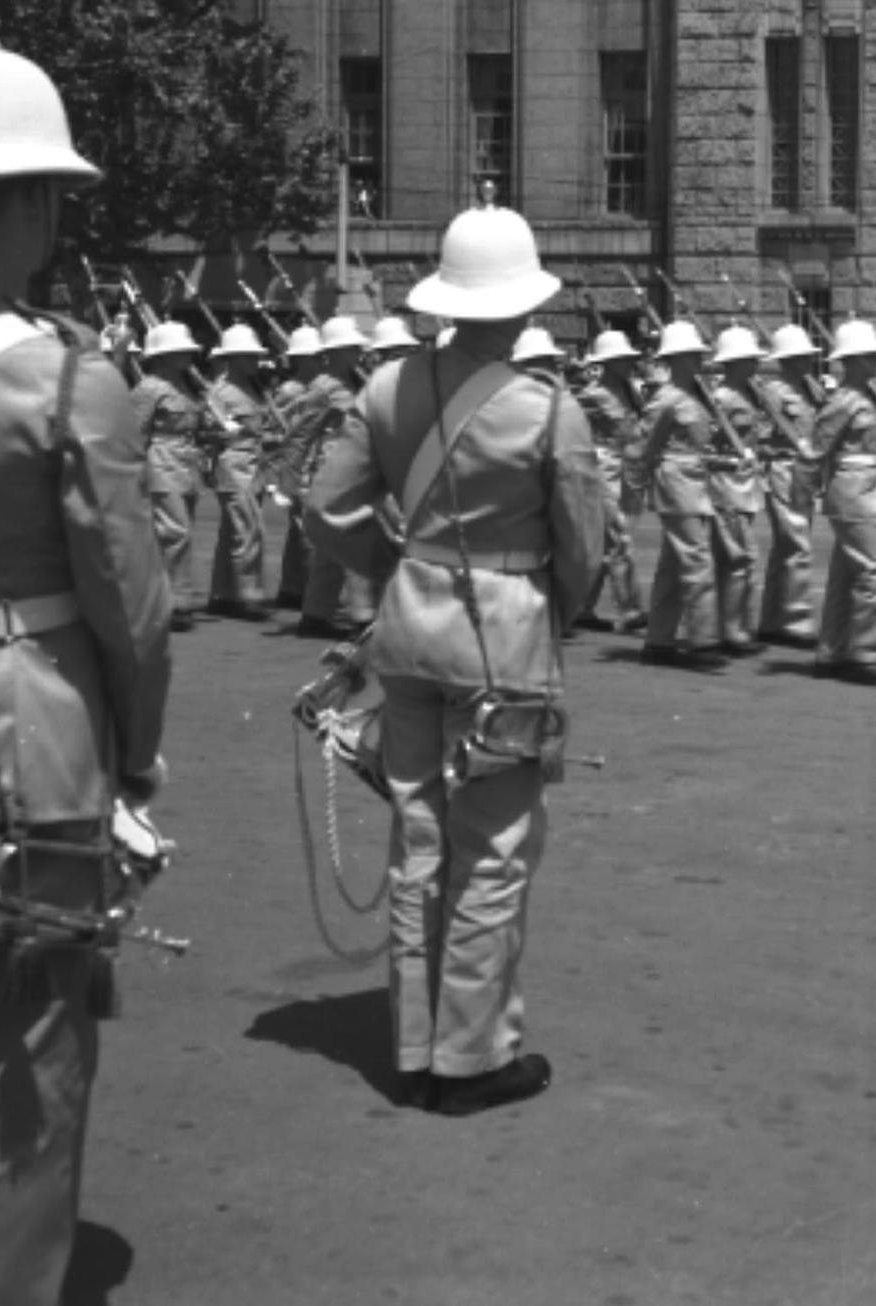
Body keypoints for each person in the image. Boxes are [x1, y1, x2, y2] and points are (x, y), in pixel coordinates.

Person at [0, 20, 174, 1301]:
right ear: (36, 203)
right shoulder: (68, 379)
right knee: (22, 1069)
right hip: (23, 739)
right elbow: (130, 604)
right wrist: (138, 750)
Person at [306, 197, 603, 1115]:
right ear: (524, 304)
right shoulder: (549, 409)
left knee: (419, 842)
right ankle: (471, 1058)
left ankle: (413, 1044)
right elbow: (584, 547)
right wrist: (564, 609)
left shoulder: (386, 389)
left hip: (407, 633)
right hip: (503, 641)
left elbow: (326, 509)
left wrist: (396, 565)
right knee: (493, 852)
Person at [627, 320, 727, 667]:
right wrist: (633, 490)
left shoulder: (696, 398)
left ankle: (658, 640)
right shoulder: (666, 399)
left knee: (673, 565)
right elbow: (642, 446)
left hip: (695, 481)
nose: (699, 360)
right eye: (692, 355)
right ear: (678, 358)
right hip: (677, 483)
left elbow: (697, 445)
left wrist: (719, 461)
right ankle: (703, 641)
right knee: (698, 559)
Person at [808, 319, 876, 684]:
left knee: (846, 575)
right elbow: (816, 449)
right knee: (875, 569)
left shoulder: (875, 396)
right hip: (851, 490)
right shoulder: (843, 401)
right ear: (852, 359)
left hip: (870, 486)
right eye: (869, 354)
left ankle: (831, 650)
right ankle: (863, 653)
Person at [288, 316, 375, 639]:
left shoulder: (355, 382)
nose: (357, 353)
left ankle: (315, 614)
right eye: (350, 348)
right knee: (351, 540)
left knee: (333, 546)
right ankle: (362, 615)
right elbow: (299, 435)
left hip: (352, 465)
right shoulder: (322, 389)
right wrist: (289, 480)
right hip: (331, 467)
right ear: (334, 352)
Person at [132, 319, 209, 630]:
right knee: (176, 533)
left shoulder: (187, 387)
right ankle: (173, 601)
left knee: (176, 533)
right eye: (180, 351)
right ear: (162, 356)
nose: (187, 356)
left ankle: (169, 598)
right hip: (160, 462)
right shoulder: (148, 389)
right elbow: (134, 434)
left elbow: (196, 429)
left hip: (187, 464)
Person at [570, 328, 648, 633]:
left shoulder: (630, 390)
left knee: (605, 542)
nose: (627, 363)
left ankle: (581, 606)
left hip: (627, 466)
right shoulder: (591, 394)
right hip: (603, 466)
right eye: (620, 359)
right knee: (620, 536)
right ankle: (629, 608)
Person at [750, 323, 823, 647]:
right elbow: (760, 437)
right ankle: (795, 621)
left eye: (807, 356)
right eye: (799, 356)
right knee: (796, 545)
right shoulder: (774, 393)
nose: (805, 361)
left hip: (805, 471)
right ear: (785, 359)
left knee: (786, 547)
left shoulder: (810, 389)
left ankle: (771, 621)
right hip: (782, 468)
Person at [203, 321, 273, 619]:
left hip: (253, 463)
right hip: (233, 463)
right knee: (248, 530)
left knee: (234, 531)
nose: (253, 361)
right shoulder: (220, 392)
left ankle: (222, 593)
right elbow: (209, 431)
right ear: (230, 358)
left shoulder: (255, 388)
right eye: (246, 356)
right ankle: (248, 594)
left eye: (254, 355)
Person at [704, 325, 767, 654]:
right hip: (725, 488)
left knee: (736, 561)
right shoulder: (720, 400)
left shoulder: (749, 395)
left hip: (746, 488)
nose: (756, 365)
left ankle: (734, 624)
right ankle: (730, 630)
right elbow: (702, 451)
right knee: (739, 560)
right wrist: (729, 463)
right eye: (749, 359)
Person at [271, 322, 325, 610]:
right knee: (307, 533)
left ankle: (293, 587)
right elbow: (281, 430)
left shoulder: (318, 388)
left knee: (300, 532)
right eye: (315, 356)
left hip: (312, 461)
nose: (320, 361)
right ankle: (304, 589)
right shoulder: (291, 391)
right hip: (298, 464)